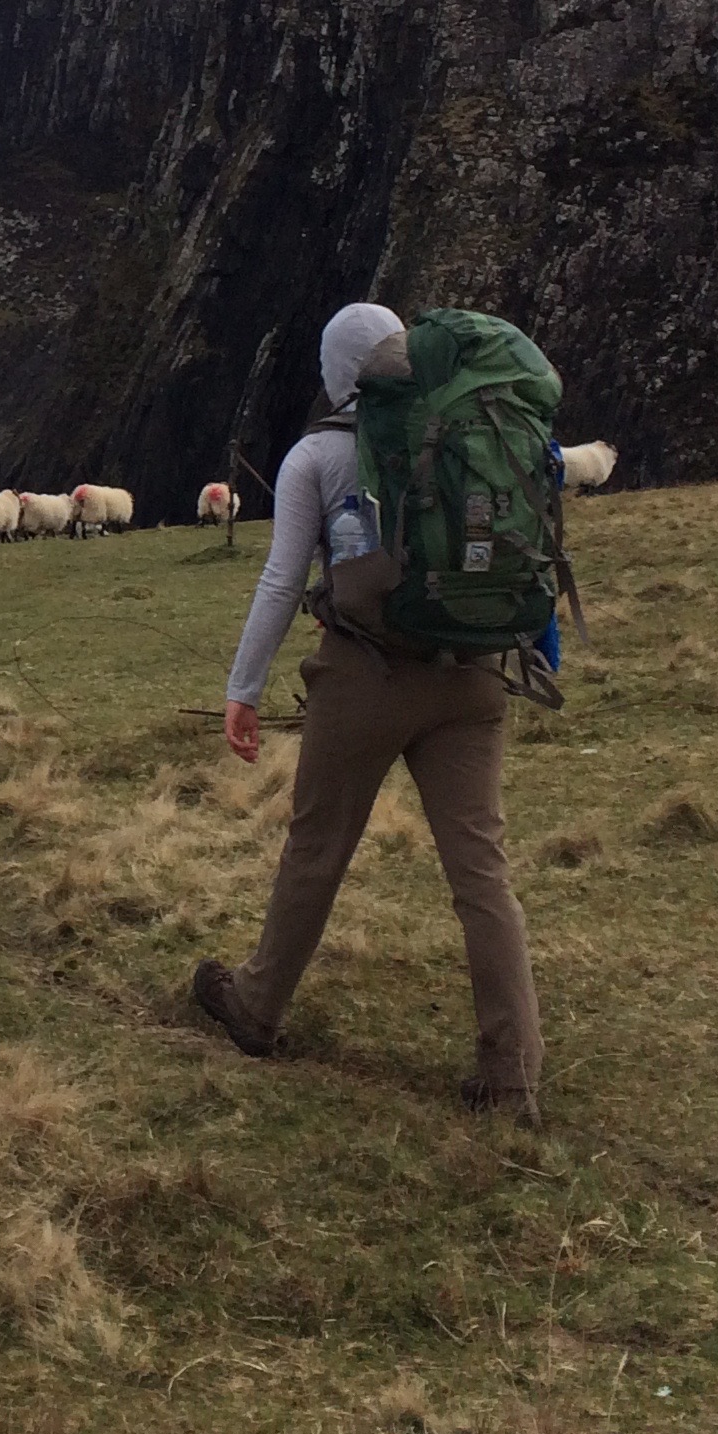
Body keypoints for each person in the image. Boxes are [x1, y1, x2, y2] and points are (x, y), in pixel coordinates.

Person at [187, 300, 544, 1122]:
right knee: (482, 873)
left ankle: (257, 1006)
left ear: (335, 371)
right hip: (473, 673)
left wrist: (243, 690)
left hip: (367, 675)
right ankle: (513, 1074)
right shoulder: (468, 430)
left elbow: (282, 581)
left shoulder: (317, 455)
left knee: (317, 846)